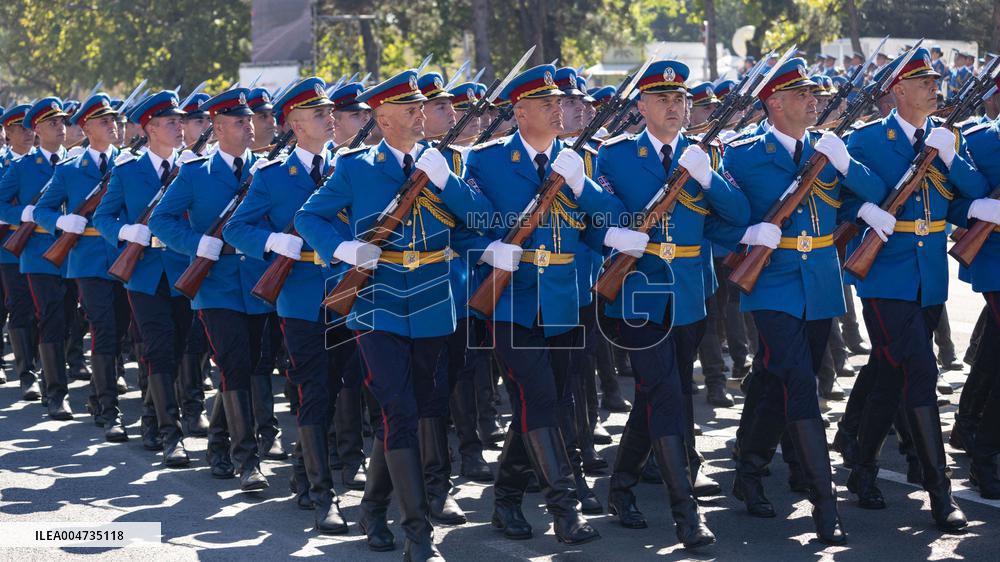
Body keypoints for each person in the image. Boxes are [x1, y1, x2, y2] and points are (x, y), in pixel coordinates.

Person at [296, 68, 490, 561]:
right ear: (383, 119)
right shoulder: (356, 167)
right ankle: (418, 533)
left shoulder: (446, 163)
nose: (421, 113)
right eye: (410, 108)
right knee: (399, 409)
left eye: (422, 107)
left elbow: (478, 221)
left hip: (433, 301)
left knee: (415, 410)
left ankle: (373, 507)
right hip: (376, 302)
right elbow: (309, 216)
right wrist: (343, 250)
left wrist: (448, 183)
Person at [723, 55, 889, 546]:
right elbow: (714, 218)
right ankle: (825, 501)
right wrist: (746, 234)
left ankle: (750, 468)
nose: (813, 100)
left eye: (814, 93)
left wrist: (847, 164)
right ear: (774, 103)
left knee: (782, 380)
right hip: (771, 283)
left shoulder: (828, 148)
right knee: (798, 383)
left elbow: (874, 191)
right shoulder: (742, 155)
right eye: (801, 94)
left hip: (819, 282)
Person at [462, 63, 623, 547]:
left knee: (546, 403)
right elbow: (461, 225)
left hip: (564, 299)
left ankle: (506, 500)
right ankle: (564, 508)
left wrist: (582, 186)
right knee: (539, 398)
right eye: (547, 104)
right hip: (512, 301)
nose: (558, 110)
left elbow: (607, 224)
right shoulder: (486, 161)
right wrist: (489, 250)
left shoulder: (578, 161)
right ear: (520, 112)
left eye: (559, 103)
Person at [596, 59, 749, 549]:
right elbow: (594, 215)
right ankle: (686, 513)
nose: (674, 106)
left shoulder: (704, 154)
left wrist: (710, 179)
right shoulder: (616, 155)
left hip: (688, 291)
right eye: (662, 98)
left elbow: (736, 216)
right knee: (664, 391)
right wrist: (616, 235)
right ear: (641, 106)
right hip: (639, 290)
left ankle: (621, 485)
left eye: (680, 99)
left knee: (663, 390)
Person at [841, 47, 988, 532]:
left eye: (935, 81)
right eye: (924, 82)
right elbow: (835, 197)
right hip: (885, 275)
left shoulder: (945, 137)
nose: (934, 88)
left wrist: (951, 157)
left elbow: (970, 191)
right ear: (898, 90)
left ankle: (861, 466)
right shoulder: (868, 139)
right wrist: (862, 210)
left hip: (928, 277)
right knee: (921, 372)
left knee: (890, 374)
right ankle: (939, 490)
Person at [224, 77, 352, 533]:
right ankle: (322, 493)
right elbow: (236, 228)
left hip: (349, 291)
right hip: (299, 295)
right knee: (313, 389)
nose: (330, 118)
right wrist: (273, 241)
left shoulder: (351, 166)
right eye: (319, 114)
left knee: (340, 388)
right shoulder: (273, 175)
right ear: (295, 125)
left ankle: (304, 469)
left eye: (329, 112)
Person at [148, 87, 275, 492]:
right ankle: (247, 460)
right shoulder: (195, 173)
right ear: (218, 128)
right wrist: (196, 244)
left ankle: (219, 442)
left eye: (250, 120)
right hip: (215, 284)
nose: (249, 127)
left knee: (250, 365)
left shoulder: (267, 170)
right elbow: (161, 220)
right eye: (239, 121)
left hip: (257, 282)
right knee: (233, 363)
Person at [94, 90, 193, 466]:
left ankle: (151, 418)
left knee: (179, 348)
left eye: (180, 121)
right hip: (145, 272)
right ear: (150, 128)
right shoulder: (128, 170)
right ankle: (171, 434)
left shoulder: (192, 167)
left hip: (183, 269)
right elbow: (103, 217)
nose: (179, 127)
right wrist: (125, 232)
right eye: (171, 122)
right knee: (158, 347)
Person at [34, 93, 130, 441]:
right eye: (105, 121)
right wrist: (62, 223)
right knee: (103, 328)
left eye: (114, 120)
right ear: (87, 128)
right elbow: (42, 210)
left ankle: (96, 394)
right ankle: (108, 408)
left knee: (120, 330)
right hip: (88, 261)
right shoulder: (70, 169)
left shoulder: (129, 164)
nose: (113, 125)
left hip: (126, 258)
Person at [0, 97, 73, 420]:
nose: (60, 127)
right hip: (37, 251)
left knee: (69, 319)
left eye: (62, 122)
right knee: (44, 315)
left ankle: (49, 373)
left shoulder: (76, 163)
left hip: (73, 253)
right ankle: (52, 389)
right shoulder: (22, 167)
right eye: (52, 123)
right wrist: (23, 214)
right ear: (38, 129)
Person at [957, 118, 1000, 499]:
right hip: (997, 263)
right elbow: (954, 202)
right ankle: (985, 460)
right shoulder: (979, 142)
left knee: (992, 350)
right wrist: (983, 208)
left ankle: (968, 424)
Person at [0, 104, 43, 402]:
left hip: (38, 245)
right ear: (8, 132)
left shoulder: (45, 163)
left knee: (43, 310)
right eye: (20, 129)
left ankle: (40, 367)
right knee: (16, 306)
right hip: (8, 248)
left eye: (30, 128)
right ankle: (27, 373)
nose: (28, 134)